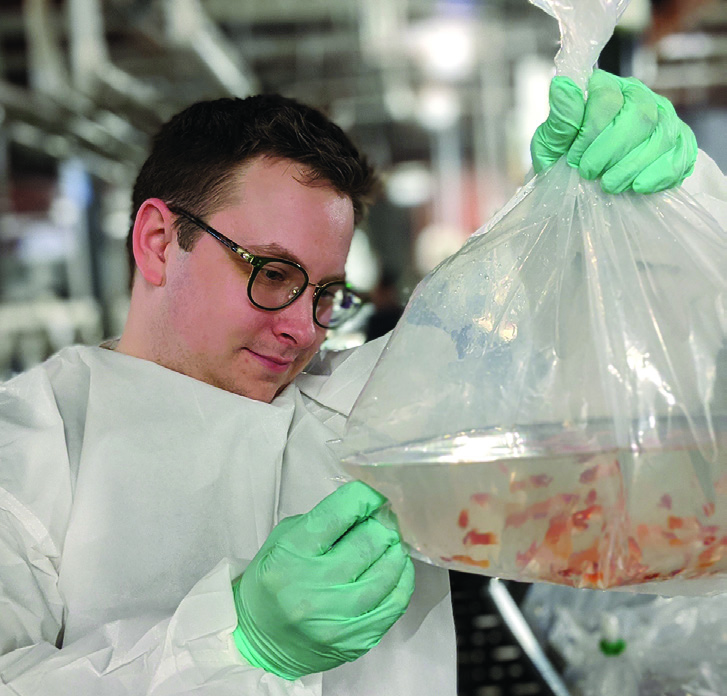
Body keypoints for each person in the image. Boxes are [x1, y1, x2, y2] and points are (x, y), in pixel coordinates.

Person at [0, 70, 724, 695]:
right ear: (159, 242)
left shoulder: (369, 409)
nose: (304, 329)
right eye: (273, 274)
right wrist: (235, 647)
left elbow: (609, 360)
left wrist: (632, 203)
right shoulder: (29, 452)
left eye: (325, 293)